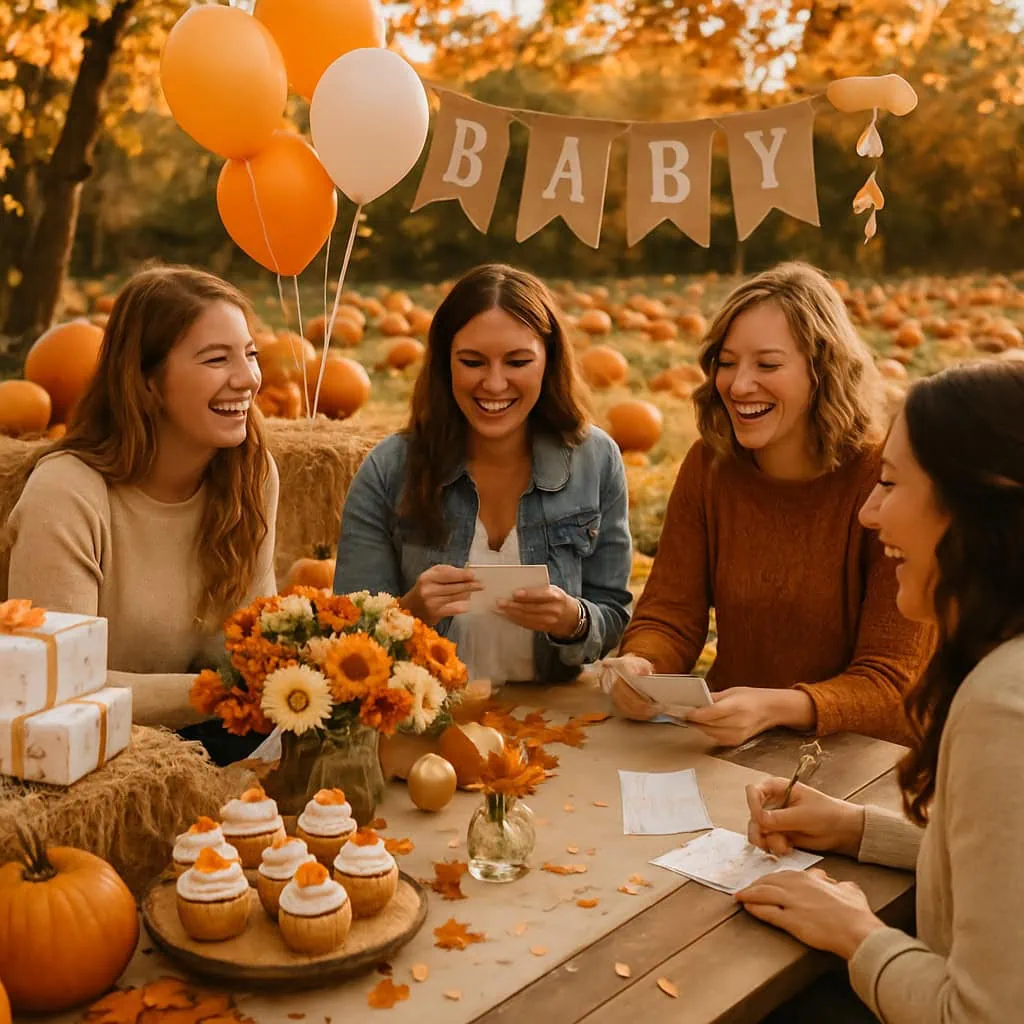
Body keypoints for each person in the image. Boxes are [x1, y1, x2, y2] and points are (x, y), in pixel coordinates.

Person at [735, 359, 1024, 1023]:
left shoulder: (1006, 705)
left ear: (976, 507)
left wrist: (855, 933)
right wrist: (858, 829)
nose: (869, 513)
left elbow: (984, 1015)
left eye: (889, 484)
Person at [613, 262, 933, 746]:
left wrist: (778, 706)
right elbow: (670, 614)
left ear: (822, 372)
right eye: (726, 361)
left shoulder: (883, 482)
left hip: (860, 765)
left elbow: (893, 686)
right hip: (730, 743)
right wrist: (643, 664)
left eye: (767, 365)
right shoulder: (710, 465)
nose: (739, 385)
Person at [4, 265, 279, 761]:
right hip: (90, 758)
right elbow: (57, 685)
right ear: (147, 383)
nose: (248, 379)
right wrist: (219, 694)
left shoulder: (252, 474)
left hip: (214, 741)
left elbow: (250, 655)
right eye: (217, 359)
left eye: (250, 354)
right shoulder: (67, 492)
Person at [334, 263, 633, 686]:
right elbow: (347, 633)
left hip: (554, 716)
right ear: (445, 364)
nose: (494, 384)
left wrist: (575, 620)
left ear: (548, 361)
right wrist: (409, 612)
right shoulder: (389, 469)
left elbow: (614, 612)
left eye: (517, 361)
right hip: (426, 713)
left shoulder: (596, 459)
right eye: (473, 362)